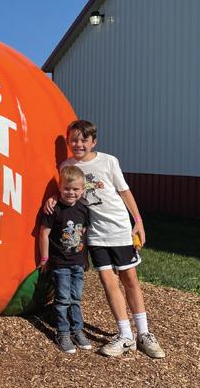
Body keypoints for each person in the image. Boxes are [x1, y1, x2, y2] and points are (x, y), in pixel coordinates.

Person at [44, 120, 165, 358]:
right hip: (95, 233)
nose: (78, 144)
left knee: (129, 278)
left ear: (93, 142)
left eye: (83, 140)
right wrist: (52, 198)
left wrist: (138, 221)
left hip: (118, 228)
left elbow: (124, 192)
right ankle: (125, 335)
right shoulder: (66, 165)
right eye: (73, 140)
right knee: (108, 281)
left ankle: (144, 334)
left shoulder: (108, 161)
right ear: (68, 142)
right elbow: (67, 191)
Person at [39, 165, 91, 354]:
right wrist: (45, 258)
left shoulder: (83, 209)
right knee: (62, 300)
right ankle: (63, 333)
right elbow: (44, 234)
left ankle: (77, 330)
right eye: (67, 188)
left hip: (77, 263)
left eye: (76, 189)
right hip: (60, 263)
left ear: (82, 190)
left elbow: (82, 233)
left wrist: (85, 259)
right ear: (60, 188)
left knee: (76, 299)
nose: (71, 192)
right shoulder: (54, 209)